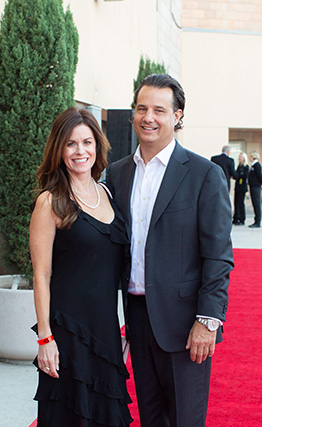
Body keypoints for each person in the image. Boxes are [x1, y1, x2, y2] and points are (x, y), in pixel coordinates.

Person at [106, 74, 234, 427]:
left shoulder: (204, 174)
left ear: (177, 116)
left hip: (185, 323)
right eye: (141, 108)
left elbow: (218, 255)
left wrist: (207, 321)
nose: (148, 117)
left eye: (159, 110)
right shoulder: (117, 174)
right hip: (136, 317)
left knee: (184, 420)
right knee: (151, 418)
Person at [30, 107, 133, 427]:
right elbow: (41, 275)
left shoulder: (108, 194)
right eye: (71, 143)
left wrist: (126, 332)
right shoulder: (50, 202)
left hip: (106, 330)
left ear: (97, 146)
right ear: (59, 149)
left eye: (87, 142)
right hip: (67, 332)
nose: (80, 151)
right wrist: (45, 339)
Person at [233, 152, 249, 225]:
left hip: (242, 187)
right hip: (237, 187)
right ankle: (236, 218)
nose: (240, 158)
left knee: (240, 203)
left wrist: (238, 175)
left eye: (241, 157)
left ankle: (241, 218)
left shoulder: (246, 167)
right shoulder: (239, 166)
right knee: (236, 202)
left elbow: (244, 176)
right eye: (239, 157)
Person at [248, 151, 262, 228]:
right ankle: (256, 220)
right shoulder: (253, 165)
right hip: (253, 186)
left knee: (257, 204)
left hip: (256, 187)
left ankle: (258, 221)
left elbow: (260, 176)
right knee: (254, 203)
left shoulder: (257, 166)